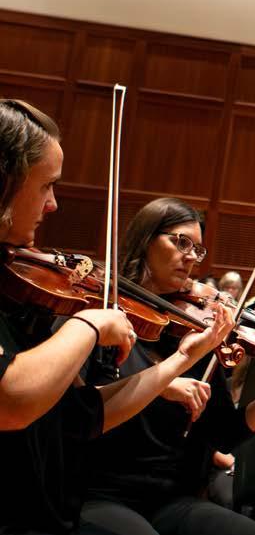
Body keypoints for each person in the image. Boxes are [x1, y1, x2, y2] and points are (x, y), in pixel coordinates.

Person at [0, 98, 235, 535]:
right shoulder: (69, 311)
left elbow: (85, 416)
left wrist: (184, 357)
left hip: (51, 512)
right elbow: (10, 402)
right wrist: (89, 324)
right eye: (46, 185)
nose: (53, 205)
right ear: (5, 181)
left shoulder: (20, 288)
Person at [78, 197, 255, 535]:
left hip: (174, 499)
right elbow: (80, 410)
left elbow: (227, 433)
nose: (190, 257)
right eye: (181, 242)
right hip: (102, 493)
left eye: (197, 249)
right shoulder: (102, 315)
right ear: (145, 240)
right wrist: (164, 383)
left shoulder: (195, 332)